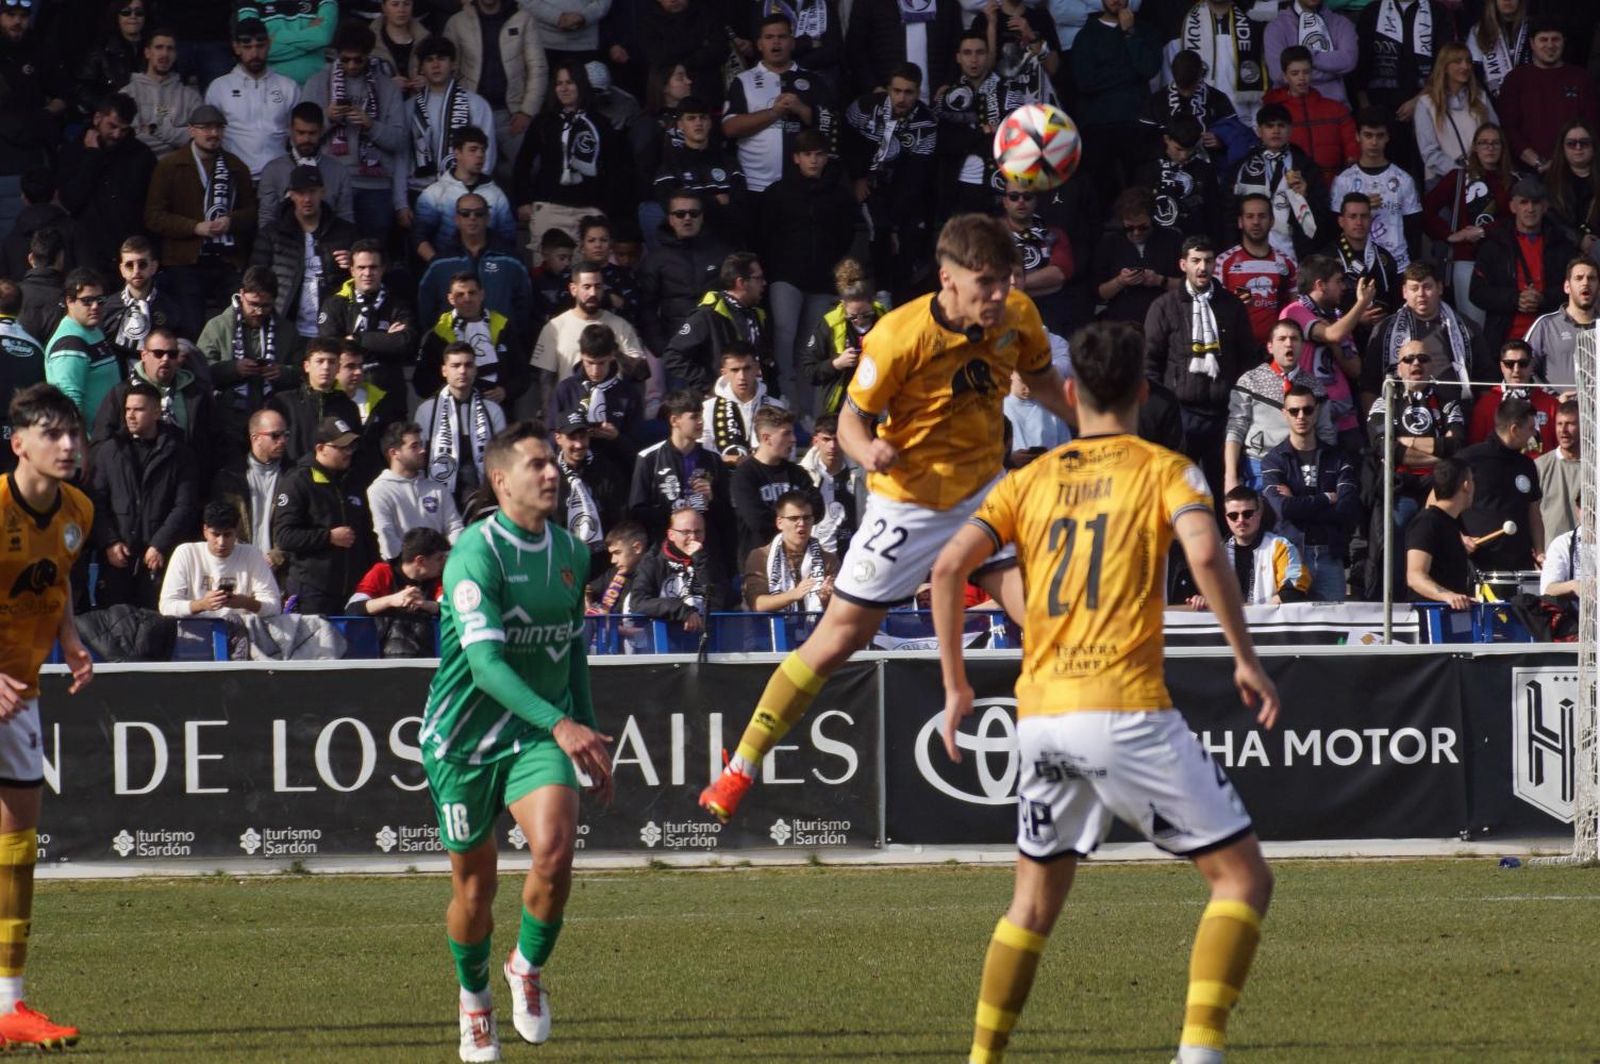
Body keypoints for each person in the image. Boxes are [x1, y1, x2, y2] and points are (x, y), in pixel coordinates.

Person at [928, 317, 1277, 1064]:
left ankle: (983, 1057)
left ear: (1071, 391)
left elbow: (949, 569)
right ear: (1144, 392)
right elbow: (1208, 552)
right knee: (1241, 880)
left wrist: (957, 685)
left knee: (1032, 903)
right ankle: (1200, 1054)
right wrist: (1243, 656)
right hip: (1123, 706)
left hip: (1043, 717)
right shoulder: (1167, 468)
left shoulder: (1027, 479)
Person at [699, 213, 1069, 822]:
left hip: (983, 491)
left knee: (1046, 618)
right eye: (987, 284)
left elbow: (1046, 384)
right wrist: (866, 450)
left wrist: (1097, 416)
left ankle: (1091, 761)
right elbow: (849, 420)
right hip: (908, 502)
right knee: (841, 637)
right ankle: (741, 766)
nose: (1000, 295)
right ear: (948, 279)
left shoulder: (1018, 317)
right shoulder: (899, 337)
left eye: (1006, 281)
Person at [420, 418, 609, 1061]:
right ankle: (474, 1003)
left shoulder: (573, 553)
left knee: (555, 851)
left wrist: (581, 730)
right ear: (502, 481)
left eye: (554, 462)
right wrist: (563, 722)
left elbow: (572, 648)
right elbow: (485, 667)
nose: (553, 471)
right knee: (475, 889)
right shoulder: (477, 554)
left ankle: (525, 967)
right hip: (463, 743)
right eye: (537, 464)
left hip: (536, 734)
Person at [0, 384, 93, 1051]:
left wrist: (69, 636)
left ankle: (10, 1005)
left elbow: (52, 576)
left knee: (17, 850)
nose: (67, 445)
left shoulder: (78, 511)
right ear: (19, 443)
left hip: (20, 693)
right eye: (51, 432)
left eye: (73, 433)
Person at [1144, 235, 1254, 498]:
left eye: (1207, 260)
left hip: (1224, 414)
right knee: (1180, 489)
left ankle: (1225, 538)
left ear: (1215, 263)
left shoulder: (1232, 305)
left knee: (1225, 489)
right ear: (1183, 265)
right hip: (1181, 414)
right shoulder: (1164, 306)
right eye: (1195, 261)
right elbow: (1150, 362)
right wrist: (1161, 411)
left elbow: (1247, 358)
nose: (1202, 267)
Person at [757, 131, 860, 408]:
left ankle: (806, 414)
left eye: (819, 155)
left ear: (826, 158)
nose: (813, 160)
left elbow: (847, 235)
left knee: (810, 348)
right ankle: (784, 404)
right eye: (807, 155)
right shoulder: (778, 192)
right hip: (784, 276)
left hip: (823, 281)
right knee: (784, 336)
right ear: (796, 158)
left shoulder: (839, 195)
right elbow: (764, 234)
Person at [143, 104, 258, 336]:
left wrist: (231, 221)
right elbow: (153, 217)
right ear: (191, 130)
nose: (213, 134)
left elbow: (253, 213)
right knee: (191, 327)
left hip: (227, 259)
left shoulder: (236, 167)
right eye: (205, 128)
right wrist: (194, 227)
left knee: (234, 325)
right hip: (185, 260)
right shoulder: (169, 166)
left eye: (218, 128)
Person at [1365, 338, 1466, 598]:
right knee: (1395, 554)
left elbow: (1456, 445)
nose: (1416, 364)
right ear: (1398, 367)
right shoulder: (1384, 402)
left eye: (1422, 358)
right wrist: (1438, 455)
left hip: (1439, 493)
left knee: (1440, 555)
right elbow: (1386, 449)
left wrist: (1407, 443)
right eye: (1408, 359)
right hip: (1401, 491)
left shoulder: (1448, 401)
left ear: (1432, 365)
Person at [87, 383, 201, 610]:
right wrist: (109, 542)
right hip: (117, 562)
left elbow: (185, 505)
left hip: (160, 560)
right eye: (127, 409)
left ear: (157, 412)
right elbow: (96, 502)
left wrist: (160, 543)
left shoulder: (179, 454)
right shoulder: (109, 452)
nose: (130, 415)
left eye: (138, 410)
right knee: (113, 629)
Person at [302, 23, 409, 245]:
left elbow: (399, 141)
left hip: (376, 186)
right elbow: (300, 138)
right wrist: (327, 118)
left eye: (358, 60)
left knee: (374, 252)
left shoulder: (386, 87)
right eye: (345, 59)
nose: (351, 65)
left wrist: (371, 125)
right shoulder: (317, 83)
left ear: (368, 56)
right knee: (334, 252)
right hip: (332, 181)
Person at [513, 61, 632, 249]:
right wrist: (523, 200)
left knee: (586, 276)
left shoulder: (601, 124)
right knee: (548, 273)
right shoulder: (543, 122)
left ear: (581, 85)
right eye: (559, 83)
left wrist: (604, 207)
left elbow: (615, 169)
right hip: (549, 208)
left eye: (570, 82)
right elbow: (522, 163)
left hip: (589, 212)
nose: (564, 88)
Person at [1261, 383, 1361, 601]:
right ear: (1284, 413)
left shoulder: (1339, 458)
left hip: (1330, 555)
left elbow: (1346, 510)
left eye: (1307, 409)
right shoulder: (1273, 460)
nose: (1301, 416)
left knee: (1336, 629)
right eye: (1294, 411)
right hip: (1291, 556)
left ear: (1316, 411)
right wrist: (1326, 498)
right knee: (1291, 629)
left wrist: (1298, 503)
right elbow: (1283, 509)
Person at [271, 415, 379, 614]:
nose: (348, 452)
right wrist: (328, 537)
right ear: (321, 448)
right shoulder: (297, 481)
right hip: (313, 592)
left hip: (353, 591)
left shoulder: (353, 481)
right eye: (342, 447)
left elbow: (367, 534)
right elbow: (285, 537)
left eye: (351, 447)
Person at [722, 15, 835, 196]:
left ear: (792, 42)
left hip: (803, 185)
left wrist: (803, 110)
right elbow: (729, 128)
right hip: (756, 184)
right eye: (769, 37)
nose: (776, 42)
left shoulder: (814, 81)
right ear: (759, 44)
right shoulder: (743, 81)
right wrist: (773, 113)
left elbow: (831, 127)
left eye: (782, 37)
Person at [1470, 177, 1577, 356]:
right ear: (1513, 206)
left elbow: (1575, 290)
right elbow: (1477, 293)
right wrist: (1515, 299)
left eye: (1536, 202)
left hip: (1552, 337)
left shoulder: (1563, 245)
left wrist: (1543, 298)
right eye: (1524, 202)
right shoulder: (1493, 246)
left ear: (1545, 207)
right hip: (1503, 340)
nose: (1530, 208)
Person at [1069, 0, 1162, 206]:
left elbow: (1148, 68)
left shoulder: (1145, 31)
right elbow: (1084, 82)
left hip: (1136, 125)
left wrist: (1130, 34)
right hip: (1098, 127)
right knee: (1102, 197)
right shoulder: (1086, 36)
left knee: (1141, 196)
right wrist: (1129, 75)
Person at [1361, 261, 1489, 408]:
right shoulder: (1384, 330)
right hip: (1401, 415)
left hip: (1457, 412)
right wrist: (1376, 427)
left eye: (1427, 287)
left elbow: (1486, 380)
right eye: (1414, 288)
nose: (1421, 294)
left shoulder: (1467, 328)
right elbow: (1369, 385)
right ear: (1404, 292)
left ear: (1439, 288)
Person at [1224, 320, 1334, 492]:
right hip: (1258, 463)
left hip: (1302, 466)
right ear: (1270, 347)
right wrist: (1230, 477)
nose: (1288, 344)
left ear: (1302, 346)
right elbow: (1236, 428)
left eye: (1294, 339)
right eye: (1282, 339)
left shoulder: (1315, 387)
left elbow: (1326, 432)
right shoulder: (1250, 380)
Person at [442, 0, 548, 177]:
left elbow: (538, 67)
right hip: (471, 114)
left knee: (531, 167)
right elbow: (449, 68)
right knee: (469, 171)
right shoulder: (457, 22)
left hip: (511, 114)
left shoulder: (523, 19)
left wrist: (527, 111)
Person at [251, 166, 358, 342]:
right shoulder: (272, 233)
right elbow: (256, 277)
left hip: (333, 328)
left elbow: (372, 270)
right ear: (291, 195)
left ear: (322, 192)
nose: (307, 199)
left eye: (312, 191)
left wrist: (353, 264)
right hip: (286, 327)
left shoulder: (345, 232)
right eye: (300, 193)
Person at [1421, 122, 1512, 326]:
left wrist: (1484, 230)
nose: (1490, 148)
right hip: (1467, 259)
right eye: (1484, 143)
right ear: (1475, 148)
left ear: (1503, 148)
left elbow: (1515, 221)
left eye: (1495, 143)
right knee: (1474, 327)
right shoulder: (1459, 178)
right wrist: (1449, 234)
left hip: (1503, 261)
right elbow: (1426, 211)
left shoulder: (1512, 181)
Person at [529, 260, 650, 413]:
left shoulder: (621, 326)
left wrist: (614, 351)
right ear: (573, 289)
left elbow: (639, 373)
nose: (593, 293)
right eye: (586, 287)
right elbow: (546, 380)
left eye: (598, 287)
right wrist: (550, 416)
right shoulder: (554, 328)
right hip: (571, 414)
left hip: (612, 412)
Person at [90, 327, 221, 469]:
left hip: (187, 478)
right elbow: (101, 442)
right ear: (144, 355)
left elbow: (216, 440)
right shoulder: (122, 393)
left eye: (172, 354)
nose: (165, 359)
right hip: (137, 478)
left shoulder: (196, 393)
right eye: (158, 353)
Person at [57, 93, 158, 275]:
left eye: (124, 129)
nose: (117, 134)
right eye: (111, 126)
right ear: (97, 118)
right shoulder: (73, 152)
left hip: (131, 252)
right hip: (89, 253)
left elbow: (152, 205)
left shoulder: (141, 155)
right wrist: (93, 158)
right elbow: (71, 200)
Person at [628, 388, 732, 549]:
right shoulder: (649, 458)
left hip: (706, 549)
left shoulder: (713, 459)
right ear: (674, 421)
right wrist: (675, 513)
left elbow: (727, 513)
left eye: (701, 416)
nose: (701, 422)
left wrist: (711, 499)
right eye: (694, 417)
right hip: (664, 549)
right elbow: (637, 511)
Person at [417, 192, 535, 331]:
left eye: (479, 213)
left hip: (501, 345)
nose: (472, 218)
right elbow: (426, 309)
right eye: (465, 213)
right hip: (453, 346)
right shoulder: (439, 263)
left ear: (487, 218)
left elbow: (525, 306)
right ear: (456, 219)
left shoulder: (511, 260)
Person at [1495, 19, 1600, 176]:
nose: (1550, 45)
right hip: (1528, 172)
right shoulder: (1515, 79)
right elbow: (1509, 129)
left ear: (1563, 42)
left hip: (1575, 172)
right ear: (1532, 43)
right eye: (1543, 39)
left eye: (1555, 39)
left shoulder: (1581, 78)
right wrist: (1538, 162)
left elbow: (1592, 125)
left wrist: (1567, 162)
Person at [663, 252, 776, 394]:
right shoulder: (708, 314)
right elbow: (673, 356)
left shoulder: (757, 314)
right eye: (758, 278)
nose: (764, 283)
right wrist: (710, 385)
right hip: (719, 405)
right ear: (741, 282)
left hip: (753, 399)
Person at [205, 16, 303, 180]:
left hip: (279, 176)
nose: (254, 53)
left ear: (269, 44)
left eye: (260, 46)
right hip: (234, 175)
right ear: (236, 48)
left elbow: (298, 136)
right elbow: (210, 136)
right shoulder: (219, 87)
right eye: (247, 47)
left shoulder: (288, 86)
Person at [319, 239, 418, 398]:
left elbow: (405, 342)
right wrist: (384, 340)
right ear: (351, 270)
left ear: (383, 269)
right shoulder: (335, 304)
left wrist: (356, 339)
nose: (367, 273)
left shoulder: (397, 304)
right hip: (344, 393)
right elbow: (330, 347)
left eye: (373, 267)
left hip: (388, 392)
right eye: (361, 267)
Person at [405, 37, 497, 208]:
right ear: (422, 67)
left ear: (453, 64)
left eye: (441, 58)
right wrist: (401, 203)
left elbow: (487, 152)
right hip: (418, 191)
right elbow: (402, 157)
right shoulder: (409, 108)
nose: (435, 65)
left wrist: (474, 190)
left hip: (463, 192)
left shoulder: (476, 104)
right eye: (429, 60)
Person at [418, 342, 510, 508]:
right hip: (438, 495)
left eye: (468, 365)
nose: (462, 371)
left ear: (475, 369)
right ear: (444, 370)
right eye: (455, 365)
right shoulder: (426, 411)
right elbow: (419, 457)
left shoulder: (492, 410)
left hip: (482, 494)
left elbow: (503, 457)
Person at [1458, 396, 1544, 572]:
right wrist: (1459, 538)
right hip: (1477, 563)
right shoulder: (1469, 459)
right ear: (1514, 429)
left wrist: (1540, 551)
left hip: (1519, 564)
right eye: (1530, 428)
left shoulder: (1527, 465)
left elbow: (1533, 513)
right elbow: (1435, 506)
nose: (1534, 433)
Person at [1189, 484, 1312, 607]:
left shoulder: (1280, 546)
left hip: (1270, 623)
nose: (1240, 520)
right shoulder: (1216, 553)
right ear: (1226, 518)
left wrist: (1263, 611)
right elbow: (1208, 591)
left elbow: (1296, 586)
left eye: (1247, 514)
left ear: (1259, 513)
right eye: (1233, 515)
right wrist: (1202, 600)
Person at [1230, 103, 1326, 259]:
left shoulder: (1307, 167)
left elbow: (1322, 214)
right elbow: (1230, 210)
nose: (1276, 131)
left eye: (1281, 125)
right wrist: (1233, 246)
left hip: (1294, 250)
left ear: (1290, 130)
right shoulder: (1242, 166)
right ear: (1259, 131)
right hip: (1249, 249)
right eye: (1269, 126)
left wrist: (1305, 197)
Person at [419, 271, 529, 407]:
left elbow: (522, 374)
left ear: (482, 294)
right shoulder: (437, 334)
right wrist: (451, 393)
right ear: (451, 299)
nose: (467, 299)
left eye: (472, 293)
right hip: (452, 412)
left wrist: (505, 391)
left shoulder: (503, 327)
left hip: (499, 409)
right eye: (460, 294)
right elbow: (422, 383)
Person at [1330, 108, 1422, 272]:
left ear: (1387, 137)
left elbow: (1413, 228)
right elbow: (1336, 226)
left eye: (1379, 136)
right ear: (1357, 136)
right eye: (1368, 135)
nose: (1374, 142)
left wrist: (1413, 265)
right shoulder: (1344, 180)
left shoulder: (1403, 179)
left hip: (1398, 265)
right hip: (1357, 266)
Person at [158, 501, 282, 618]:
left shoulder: (251, 554)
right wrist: (201, 605)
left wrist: (245, 602)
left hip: (240, 630)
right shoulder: (186, 553)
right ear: (205, 531)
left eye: (228, 535)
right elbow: (166, 607)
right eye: (215, 535)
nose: (221, 542)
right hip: (196, 629)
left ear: (236, 532)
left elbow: (274, 606)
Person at [728, 406, 820, 561]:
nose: (793, 439)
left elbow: (818, 509)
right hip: (759, 564)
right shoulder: (744, 475)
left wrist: (785, 519)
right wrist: (798, 517)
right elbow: (756, 520)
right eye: (786, 434)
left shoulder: (797, 474)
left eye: (792, 432)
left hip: (799, 561)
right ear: (766, 438)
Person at [625, 503, 734, 632]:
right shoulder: (653, 561)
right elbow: (638, 602)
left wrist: (701, 562)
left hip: (707, 637)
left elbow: (719, 600)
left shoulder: (709, 559)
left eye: (698, 531)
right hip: (665, 638)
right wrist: (681, 610)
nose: (693, 537)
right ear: (671, 535)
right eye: (685, 532)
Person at [415, 128, 519, 263]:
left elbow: (508, 238)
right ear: (457, 153)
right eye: (473, 150)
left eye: (483, 150)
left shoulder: (497, 195)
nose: (480, 155)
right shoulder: (434, 193)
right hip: (448, 270)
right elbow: (419, 237)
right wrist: (439, 265)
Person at [549, 323, 646, 466]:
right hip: (572, 471)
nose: (595, 371)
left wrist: (616, 437)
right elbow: (550, 434)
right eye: (589, 363)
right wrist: (575, 436)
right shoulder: (565, 390)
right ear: (581, 355)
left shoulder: (628, 394)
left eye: (601, 363)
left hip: (614, 472)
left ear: (612, 355)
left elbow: (639, 448)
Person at [800, 259, 885, 420]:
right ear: (843, 305)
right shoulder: (830, 324)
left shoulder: (884, 320)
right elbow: (809, 370)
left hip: (875, 406)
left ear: (873, 302)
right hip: (837, 408)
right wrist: (836, 363)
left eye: (866, 315)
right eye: (852, 317)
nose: (859, 321)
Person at [369, 420, 465, 560]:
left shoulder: (437, 489)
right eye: (414, 446)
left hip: (440, 570)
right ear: (394, 452)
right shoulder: (380, 490)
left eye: (421, 444)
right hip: (402, 574)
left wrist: (449, 559)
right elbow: (386, 533)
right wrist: (405, 568)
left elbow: (455, 527)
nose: (422, 450)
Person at [1262, 45, 1356, 188]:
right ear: (1285, 76)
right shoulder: (1273, 112)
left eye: (1306, 72)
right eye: (1295, 73)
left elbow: (1352, 148)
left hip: (1333, 187)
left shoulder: (1336, 110)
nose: (1301, 78)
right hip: (1289, 188)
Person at [257, 103, 358, 233]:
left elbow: (346, 218)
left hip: (328, 244)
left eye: (312, 133)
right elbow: (267, 219)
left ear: (321, 131)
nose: (306, 139)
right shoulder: (272, 171)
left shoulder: (338, 171)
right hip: (284, 246)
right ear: (290, 130)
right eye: (301, 133)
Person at [1216, 194, 1298, 350]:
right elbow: (1215, 308)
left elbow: (1294, 309)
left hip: (1275, 352)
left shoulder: (1288, 263)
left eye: (1262, 216)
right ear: (1240, 222)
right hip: (1236, 350)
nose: (1256, 222)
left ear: (1272, 221)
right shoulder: (1223, 262)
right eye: (1249, 216)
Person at [1091, 188, 1182, 327]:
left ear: (1151, 219)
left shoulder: (1172, 239)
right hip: (1123, 324)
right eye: (1129, 228)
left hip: (1166, 320)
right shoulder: (1110, 242)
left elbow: (1190, 286)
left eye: (1143, 227)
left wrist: (1160, 280)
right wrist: (1120, 281)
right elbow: (1099, 293)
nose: (1136, 232)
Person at [1413, 43, 1498, 190]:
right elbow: (1429, 152)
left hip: (1482, 179)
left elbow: (1496, 136)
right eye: (1458, 61)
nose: (1465, 66)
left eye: (1468, 61)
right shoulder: (1426, 103)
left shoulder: (1480, 98)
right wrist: (1463, 174)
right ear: (1444, 66)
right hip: (1442, 181)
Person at [1318, 192, 1399, 346]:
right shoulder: (1326, 258)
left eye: (1364, 216)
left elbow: (1395, 300)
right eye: (1353, 216)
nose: (1359, 222)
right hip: (1342, 342)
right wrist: (1356, 318)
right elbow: (1319, 306)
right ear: (1341, 221)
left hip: (1380, 339)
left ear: (1371, 220)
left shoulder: (1385, 258)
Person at [269, 338, 364, 466]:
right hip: (291, 478)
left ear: (338, 368)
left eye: (331, 362)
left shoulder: (348, 407)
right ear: (307, 366)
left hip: (333, 481)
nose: (326, 367)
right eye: (320, 361)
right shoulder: (283, 402)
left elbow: (354, 451)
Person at [44, 270, 120, 427]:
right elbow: (69, 405)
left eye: (100, 300)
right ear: (69, 301)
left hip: (107, 439)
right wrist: (82, 451)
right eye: (87, 301)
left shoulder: (92, 330)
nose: (95, 306)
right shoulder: (69, 344)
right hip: (91, 444)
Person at [211, 407, 291, 554]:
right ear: (255, 438)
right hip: (239, 564)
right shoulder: (230, 477)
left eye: (285, 434)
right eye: (275, 435)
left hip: (282, 568)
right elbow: (220, 524)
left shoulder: (293, 476)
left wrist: (277, 557)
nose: (282, 441)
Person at [743, 488, 837, 612]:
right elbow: (757, 604)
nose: (801, 523)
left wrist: (826, 600)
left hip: (817, 629)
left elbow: (840, 608)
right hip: (772, 629)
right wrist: (794, 594)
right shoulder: (760, 556)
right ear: (779, 523)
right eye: (794, 518)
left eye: (807, 517)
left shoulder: (828, 559)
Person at [1404, 454, 1475, 609]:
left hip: (1451, 617)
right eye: (1473, 480)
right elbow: (1415, 576)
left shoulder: (1450, 523)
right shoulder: (1426, 522)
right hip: (1430, 619)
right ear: (1466, 485)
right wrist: (1447, 595)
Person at [102, 236, 183, 366]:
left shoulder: (171, 307)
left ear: (154, 266)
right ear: (121, 269)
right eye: (129, 265)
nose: (136, 270)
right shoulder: (107, 307)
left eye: (142, 264)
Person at [700, 344, 787, 466]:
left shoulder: (775, 406)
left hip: (765, 478)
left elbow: (787, 450)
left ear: (757, 368)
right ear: (724, 373)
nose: (742, 377)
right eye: (735, 370)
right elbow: (701, 451)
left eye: (747, 369)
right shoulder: (709, 408)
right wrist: (730, 459)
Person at [1465, 339, 1558, 452]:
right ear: (1502, 366)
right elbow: (1475, 449)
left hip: (1540, 468)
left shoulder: (1551, 404)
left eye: (1523, 363)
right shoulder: (1486, 404)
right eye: (1509, 364)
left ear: (1532, 365)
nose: (1516, 370)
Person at [121, 27, 201, 157]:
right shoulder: (128, 93)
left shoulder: (190, 96)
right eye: (159, 47)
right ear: (147, 53)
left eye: (170, 49)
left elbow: (199, 136)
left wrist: (153, 130)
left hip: (177, 169)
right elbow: (126, 140)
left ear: (175, 55)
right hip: (138, 168)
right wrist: (175, 143)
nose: (164, 54)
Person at [1264, 0, 1358, 105]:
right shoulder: (1276, 27)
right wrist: (1331, 70)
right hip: (1291, 109)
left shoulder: (1341, 23)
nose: (1303, 76)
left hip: (1335, 105)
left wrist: (1306, 60)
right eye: (1298, 73)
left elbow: (1348, 61)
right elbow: (1278, 74)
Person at [1526, 256, 1597, 390]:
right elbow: (1525, 368)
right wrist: (1550, 399)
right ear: (1567, 286)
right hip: (1558, 409)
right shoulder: (1546, 325)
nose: (1585, 283)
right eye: (1579, 278)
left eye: (1591, 278)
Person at [345, 526, 448, 616]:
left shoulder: (440, 576)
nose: (444, 562)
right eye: (439, 558)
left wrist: (425, 605)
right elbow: (352, 608)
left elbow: (450, 607)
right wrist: (392, 600)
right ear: (420, 561)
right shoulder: (383, 571)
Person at [798, 413, 860, 554]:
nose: (832, 446)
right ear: (815, 441)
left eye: (837, 440)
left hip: (852, 554)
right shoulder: (802, 474)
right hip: (813, 555)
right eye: (826, 439)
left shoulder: (860, 474)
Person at [1543, 119, 1599, 258]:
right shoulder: (1548, 181)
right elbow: (1549, 221)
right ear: (1562, 147)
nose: (1578, 148)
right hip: (1562, 248)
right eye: (1571, 143)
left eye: (1584, 143)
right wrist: (1579, 240)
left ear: (1593, 145)